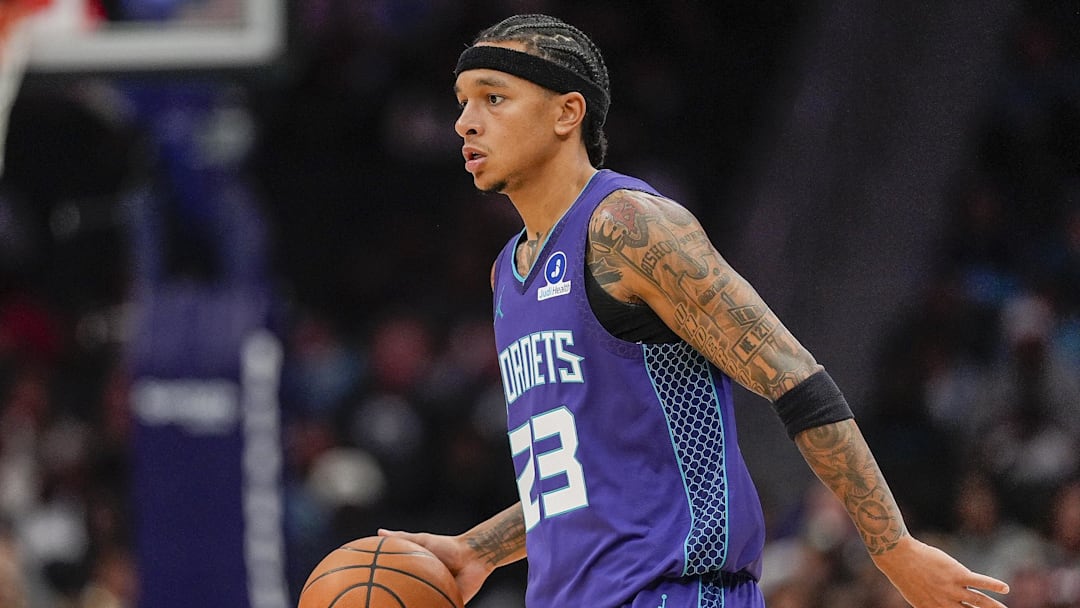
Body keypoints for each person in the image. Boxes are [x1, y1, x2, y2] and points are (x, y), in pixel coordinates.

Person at [380, 13, 1011, 608]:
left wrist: (891, 546)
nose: (465, 122)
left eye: (493, 98)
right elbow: (588, 475)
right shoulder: (507, 274)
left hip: (676, 590)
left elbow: (795, 378)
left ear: (567, 112)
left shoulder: (628, 228)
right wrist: (477, 551)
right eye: (462, 102)